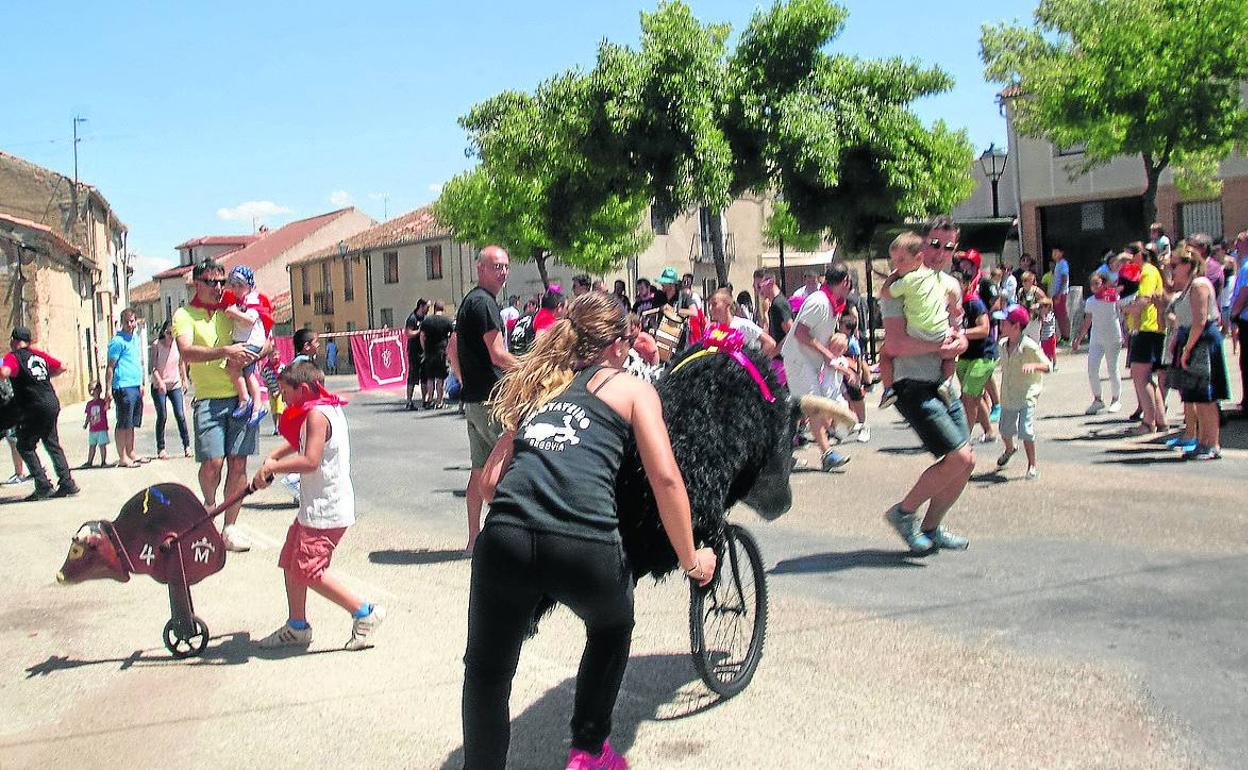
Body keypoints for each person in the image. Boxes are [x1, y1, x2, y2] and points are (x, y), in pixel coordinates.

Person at [462, 291, 715, 770]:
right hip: (585, 542)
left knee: (487, 673)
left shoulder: (540, 389)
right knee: (611, 625)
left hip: (506, 538)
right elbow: (665, 478)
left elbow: (493, 484)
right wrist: (691, 559)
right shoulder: (633, 389)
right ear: (619, 346)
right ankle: (589, 749)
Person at [251, 361, 386, 650]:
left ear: (302, 389)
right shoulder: (319, 407)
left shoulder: (317, 414)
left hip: (326, 509)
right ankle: (297, 626)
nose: (282, 398)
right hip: (314, 507)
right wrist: (274, 454)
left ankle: (365, 613)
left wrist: (274, 467)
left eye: (285, 392)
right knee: (291, 561)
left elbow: (310, 461)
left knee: (308, 571)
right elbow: (298, 441)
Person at [881, 216, 973, 554]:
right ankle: (904, 512)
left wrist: (960, 345)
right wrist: (939, 347)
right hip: (912, 382)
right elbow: (894, 345)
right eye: (935, 244)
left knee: (967, 462)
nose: (941, 253)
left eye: (948, 247)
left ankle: (931, 527)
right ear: (922, 245)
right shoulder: (900, 283)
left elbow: (958, 333)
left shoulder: (951, 285)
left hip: (945, 383)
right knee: (959, 458)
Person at [173, 259, 266, 553]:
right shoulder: (184, 315)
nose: (217, 287)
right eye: (211, 282)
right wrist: (224, 351)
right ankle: (209, 505)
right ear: (196, 283)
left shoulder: (233, 310)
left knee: (239, 463)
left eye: (221, 281)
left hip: (242, 398)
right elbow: (187, 352)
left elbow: (267, 341)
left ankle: (230, 527)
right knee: (213, 463)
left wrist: (252, 355)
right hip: (209, 398)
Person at [449, 246, 518, 554]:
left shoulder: (470, 302)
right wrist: (533, 366)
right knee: (508, 468)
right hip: (492, 399)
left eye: (505, 266)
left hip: (475, 400)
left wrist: (465, 380)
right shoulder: (485, 304)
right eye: (496, 266)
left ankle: (474, 538)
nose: (502, 272)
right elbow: (498, 354)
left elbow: (452, 350)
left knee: (479, 470)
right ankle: (502, 540)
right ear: (480, 268)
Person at [779, 263, 853, 472]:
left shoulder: (832, 303)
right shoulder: (819, 302)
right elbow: (801, 333)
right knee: (814, 406)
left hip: (808, 360)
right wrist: (827, 353)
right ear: (845, 281)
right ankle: (826, 453)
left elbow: (819, 333)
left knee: (797, 410)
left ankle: (781, 455)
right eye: (849, 281)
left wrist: (837, 342)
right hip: (798, 359)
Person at [876, 231, 962, 409]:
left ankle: (888, 390)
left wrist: (891, 276)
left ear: (918, 258)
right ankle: (947, 382)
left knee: (884, 352)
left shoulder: (907, 280)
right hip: (940, 331)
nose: (897, 265)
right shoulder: (938, 278)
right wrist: (954, 307)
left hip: (918, 331)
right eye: (894, 261)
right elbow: (953, 295)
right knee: (949, 356)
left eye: (901, 260)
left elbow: (885, 292)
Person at [0, 326, 78, 501]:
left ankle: (43, 485)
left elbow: (4, 372)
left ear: (13, 340)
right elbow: (62, 366)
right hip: (51, 401)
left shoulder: (14, 357)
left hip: (34, 405)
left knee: (24, 445)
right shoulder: (38, 355)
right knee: (52, 443)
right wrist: (41, 377)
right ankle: (67, 483)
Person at [1168, 242, 1228, 460]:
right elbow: (1184, 320)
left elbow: (1200, 321)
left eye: (1175, 265)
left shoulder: (1200, 285)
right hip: (1192, 339)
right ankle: (1203, 441)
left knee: (1206, 397)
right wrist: (1178, 341)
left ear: (1188, 264)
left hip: (1202, 341)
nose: (1172, 269)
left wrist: (1187, 349)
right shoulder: (1188, 286)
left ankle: (1212, 444)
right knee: (1197, 396)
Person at [994, 305, 1052, 479]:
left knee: (1025, 431)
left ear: (1016, 326)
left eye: (1004, 322)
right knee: (1004, 430)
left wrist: (1034, 365)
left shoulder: (1028, 346)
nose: (1001, 326)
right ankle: (1010, 449)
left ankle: (1032, 465)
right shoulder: (1002, 345)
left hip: (1026, 394)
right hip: (1008, 395)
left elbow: (1048, 366)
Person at [1124, 245, 1168, 434]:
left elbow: (1145, 299)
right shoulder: (1144, 272)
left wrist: (1126, 308)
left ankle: (1149, 422)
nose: (1129, 261)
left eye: (1131, 256)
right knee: (1147, 377)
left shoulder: (1148, 272)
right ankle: (1161, 420)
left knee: (1141, 376)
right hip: (1146, 329)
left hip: (1147, 328)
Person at [221, 266, 270, 427]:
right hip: (245, 341)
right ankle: (257, 406)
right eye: (233, 285)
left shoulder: (252, 300)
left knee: (232, 367)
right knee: (249, 375)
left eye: (239, 285)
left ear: (249, 286)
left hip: (250, 343)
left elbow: (250, 320)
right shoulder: (241, 301)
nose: (236, 289)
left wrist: (233, 313)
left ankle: (244, 399)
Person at [955, 264, 999, 443]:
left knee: (968, 396)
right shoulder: (954, 305)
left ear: (966, 284)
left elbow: (984, 329)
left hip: (983, 355)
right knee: (974, 395)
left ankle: (963, 438)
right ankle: (989, 431)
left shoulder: (974, 303)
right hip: (966, 356)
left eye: (957, 283)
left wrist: (962, 333)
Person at [1072, 273, 1125, 414]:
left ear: (1104, 284)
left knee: (1112, 369)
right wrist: (1078, 339)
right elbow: (1087, 321)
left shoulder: (1114, 298)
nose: (1094, 286)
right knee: (1092, 369)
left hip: (1113, 337)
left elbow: (1122, 315)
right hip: (1096, 339)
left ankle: (1116, 399)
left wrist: (1125, 333)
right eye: (1092, 284)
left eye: (1097, 283)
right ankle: (1097, 400)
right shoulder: (1090, 301)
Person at [105, 308, 146, 468]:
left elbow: (138, 362)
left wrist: (141, 383)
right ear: (122, 323)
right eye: (127, 322)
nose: (130, 324)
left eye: (132, 321)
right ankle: (122, 456)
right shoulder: (117, 341)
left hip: (135, 384)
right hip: (122, 385)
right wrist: (108, 390)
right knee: (123, 421)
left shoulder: (134, 338)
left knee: (132, 422)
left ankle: (131, 451)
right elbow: (110, 367)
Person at [150, 320, 191, 459]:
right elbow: (154, 368)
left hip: (174, 384)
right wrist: (160, 382)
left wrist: (184, 379)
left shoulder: (177, 345)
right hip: (159, 385)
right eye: (168, 333)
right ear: (163, 332)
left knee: (180, 415)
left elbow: (182, 363)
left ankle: (187, 446)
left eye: (173, 334)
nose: (170, 337)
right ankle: (161, 448)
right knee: (162, 415)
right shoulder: (156, 345)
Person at [706, 288, 776, 356]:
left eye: (714, 304)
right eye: (709, 305)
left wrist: (753, 362)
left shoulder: (742, 325)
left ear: (727, 305)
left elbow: (770, 343)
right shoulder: (715, 331)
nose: (710, 308)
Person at [753, 268, 793, 385]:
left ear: (770, 282)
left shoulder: (779, 304)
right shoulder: (774, 304)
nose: (758, 291)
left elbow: (791, 333)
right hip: (779, 362)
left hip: (783, 363)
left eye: (759, 286)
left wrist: (773, 353)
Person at [419, 301, 454, 409]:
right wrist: (449, 351)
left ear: (434, 308)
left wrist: (424, 349)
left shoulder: (427, 321)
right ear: (443, 309)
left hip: (429, 352)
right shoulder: (447, 321)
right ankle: (439, 401)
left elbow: (422, 336)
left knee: (430, 378)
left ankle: (430, 400)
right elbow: (452, 337)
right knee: (440, 378)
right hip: (441, 352)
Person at [404, 299, 429, 410]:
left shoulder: (425, 319)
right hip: (414, 351)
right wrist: (420, 331)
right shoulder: (412, 318)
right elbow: (408, 333)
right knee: (413, 376)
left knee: (425, 377)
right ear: (421, 306)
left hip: (423, 351)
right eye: (427, 307)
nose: (428, 309)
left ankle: (425, 400)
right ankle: (409, 401)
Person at [81, 381, 111, 468]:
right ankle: (89, 462)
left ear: (99, 390)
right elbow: (88, 415)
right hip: (93, 429)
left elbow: (107, 407)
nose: (92, 392)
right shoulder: (89, 404)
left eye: (94, 390)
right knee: (92, 446)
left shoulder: (102, 402)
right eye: (90, 390)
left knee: (102, 446)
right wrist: (86, 424)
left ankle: (103, 462)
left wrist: (108, 399)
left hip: (101, 428)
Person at [1050, 245, 1071, 341]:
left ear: (1061, 253)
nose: (1054, 254)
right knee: (1058, 315)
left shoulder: (1063, 264)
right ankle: (1063, 335)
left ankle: (1066, 337)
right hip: (1056, 293)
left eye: (1056, 252)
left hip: (1061, 294)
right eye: (1053, 252)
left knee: (1063, 315)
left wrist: (1059, 294)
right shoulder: (1057, 264)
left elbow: (1064, 279)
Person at [1037, 297, 1058, 368]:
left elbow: (1046, 322)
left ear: (1048, 307)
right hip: (1043, 336)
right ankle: (1047, 363)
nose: (1041, 309)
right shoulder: (1040, 315)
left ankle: (1054, 364)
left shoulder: (1050, 315)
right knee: (1045, 351)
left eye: (1043, 307)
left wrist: (1042, 317)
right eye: (1040, 307)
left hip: (1050, 336)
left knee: (1052, 351)